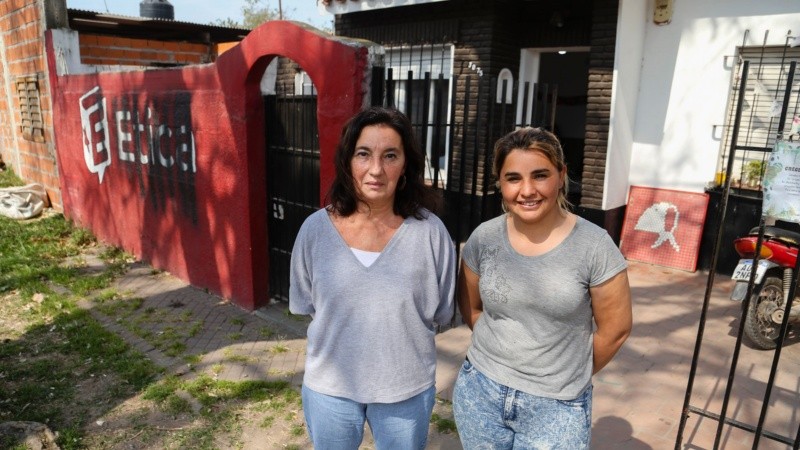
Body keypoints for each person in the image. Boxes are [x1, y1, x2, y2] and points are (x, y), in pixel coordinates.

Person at [452, 127, 632, 449]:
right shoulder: (484, 238)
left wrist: (564, 372)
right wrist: (502, 349)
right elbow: (471, 306)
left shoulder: (594, 246)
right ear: (500, 183)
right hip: (480, 390)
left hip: (556, 407)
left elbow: (616, 329)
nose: (527, 190)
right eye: (513, 178)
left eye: (540, 175)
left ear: (561, 176)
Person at [289, 106, 456, 449]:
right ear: (348, 161)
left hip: (405, 390)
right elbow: (308, 303)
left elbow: (441, 311)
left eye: (390, 155)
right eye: (364, 154)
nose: (376, 169)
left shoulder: (431, 234)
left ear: (406, 164)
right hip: (330, 389)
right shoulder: (315, 231)